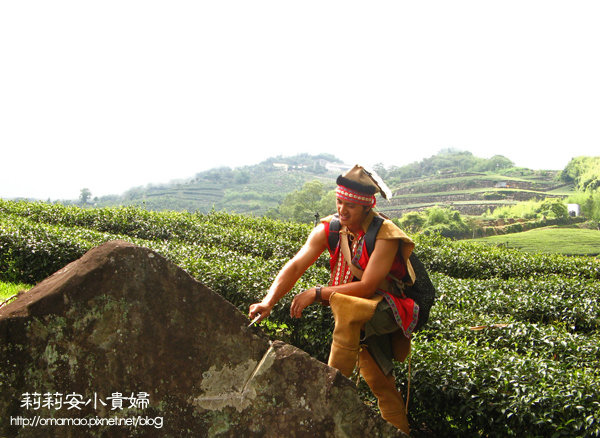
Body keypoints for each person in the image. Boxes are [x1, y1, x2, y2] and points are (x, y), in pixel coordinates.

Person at [248, 165, 418, 435]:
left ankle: (331, 386)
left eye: (350, 205)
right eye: (339, 202)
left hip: (388, 310)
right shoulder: (329, 229)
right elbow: (295, 266)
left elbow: (367, 286)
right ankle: (401, 431)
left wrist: (316, 294)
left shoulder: (385, 235)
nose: (342, 210)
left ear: (366, 207)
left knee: (348, 307)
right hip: (356, 312)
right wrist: (268, 301)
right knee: (380, 381)